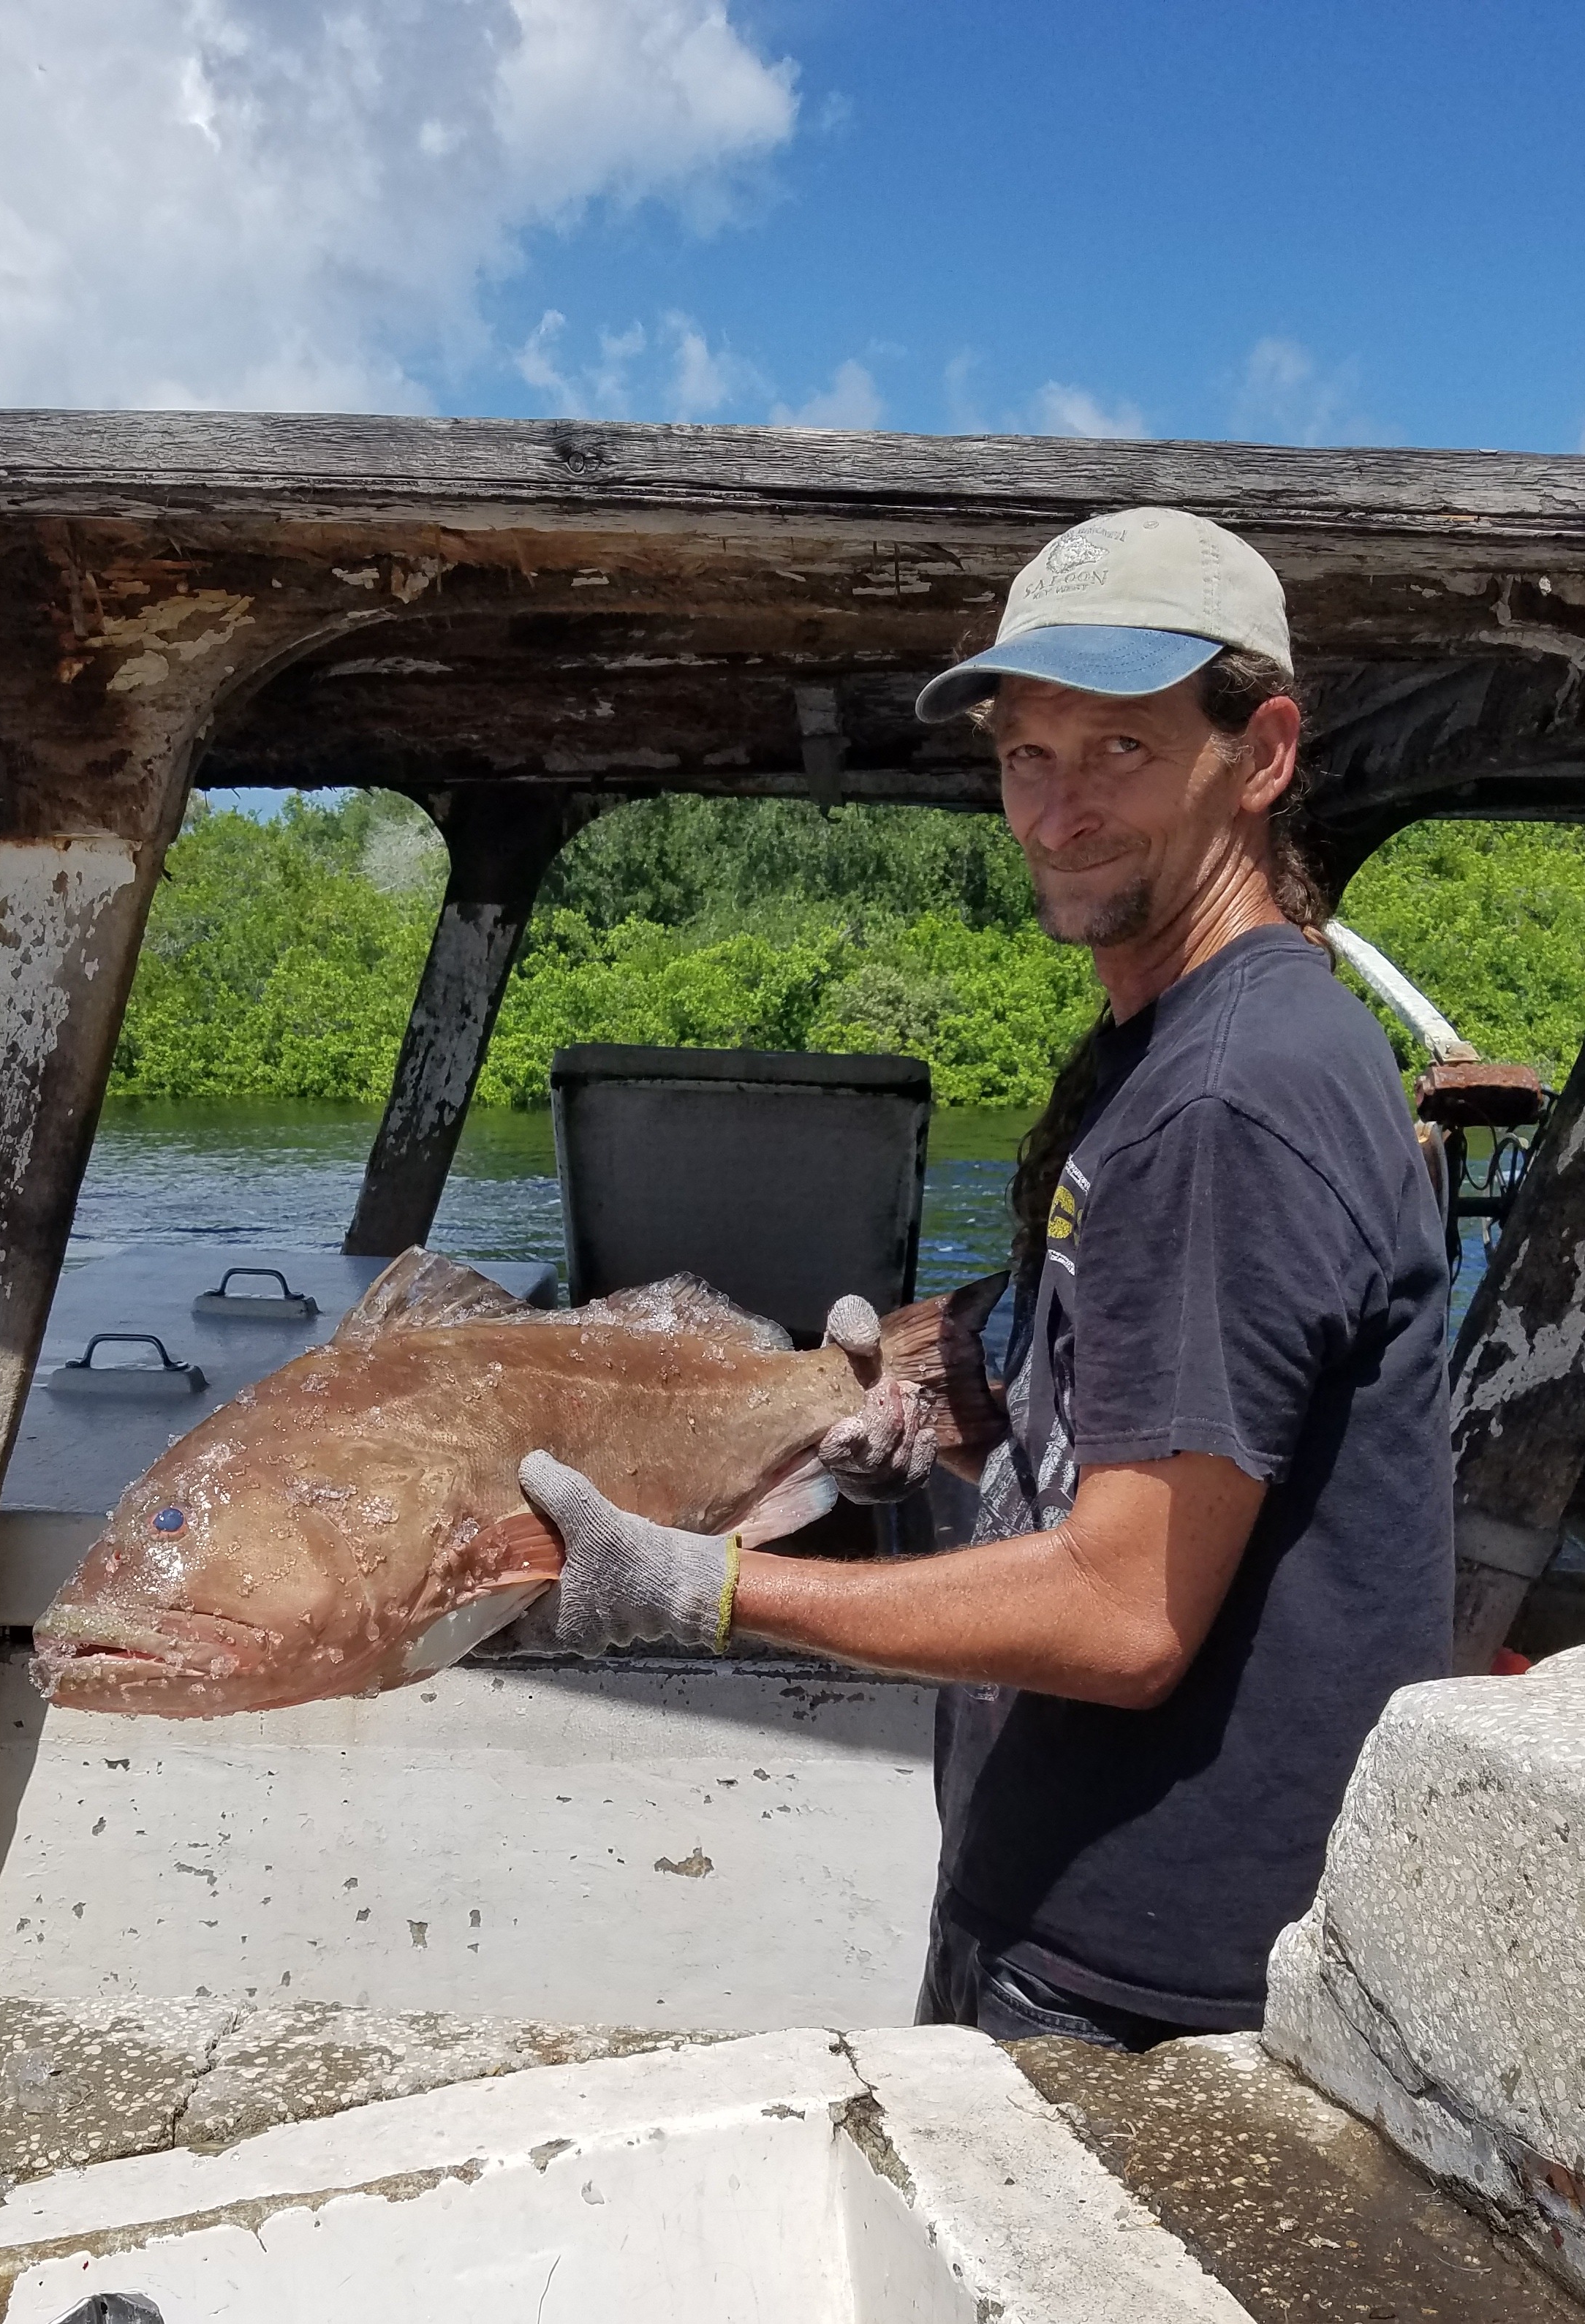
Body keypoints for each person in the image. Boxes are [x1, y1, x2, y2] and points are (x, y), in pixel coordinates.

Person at [499, 507, 1455, 2047]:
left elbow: (1128, 1609)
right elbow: (1131, 1438)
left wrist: (704, 1586)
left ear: (1262, 753)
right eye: (1026, 756)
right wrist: (937, 1436)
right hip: (1068, 1903)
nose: (1060, 810)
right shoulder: (1172, 1049)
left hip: (1150, 1981)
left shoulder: (1230, 1095)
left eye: (1122, 748)